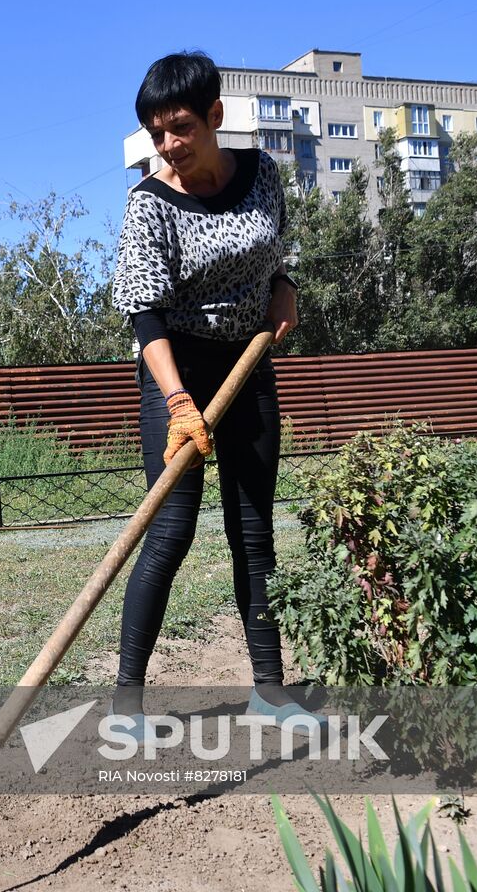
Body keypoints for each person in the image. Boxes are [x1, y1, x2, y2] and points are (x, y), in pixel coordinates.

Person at [110, 51, 313, 727]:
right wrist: (177, 404)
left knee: (254, 530)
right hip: (177, 370)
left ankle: (269, 690)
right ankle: (129, 703)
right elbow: (144, 313)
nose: (168, 143)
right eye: (156, 132)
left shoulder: (261, 174)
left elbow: (275, 253)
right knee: (169, 528)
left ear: (215, 117)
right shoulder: (149, 203)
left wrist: (284, 290)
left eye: (181, 127)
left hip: (248, 364)